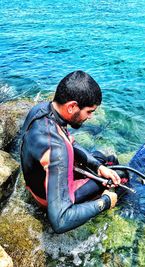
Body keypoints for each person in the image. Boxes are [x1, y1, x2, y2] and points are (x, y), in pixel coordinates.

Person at [20, 70, 124, 233]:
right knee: (121, 174)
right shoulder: (57, 150)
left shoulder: (40, 110)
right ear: (72, 107)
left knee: (107, 160)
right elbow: (60, 220)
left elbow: (67, 144)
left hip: (36, 183)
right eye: (89, 111)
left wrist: (98, 167)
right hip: (47, 200)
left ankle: (102, 168)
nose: (89, 117)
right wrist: (105, 202)